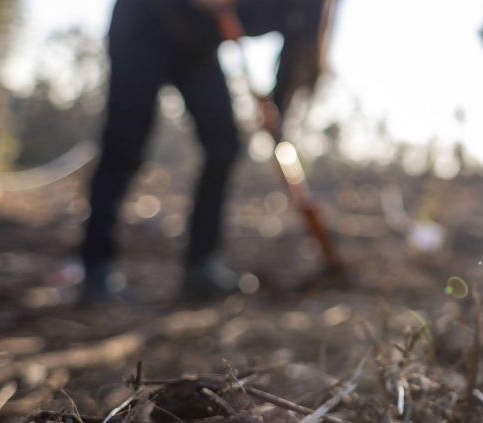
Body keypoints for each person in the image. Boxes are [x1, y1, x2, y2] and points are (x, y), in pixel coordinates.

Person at [80, 0, 331, 304]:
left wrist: (278, 112)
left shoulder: (312, 7)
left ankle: (202, 266)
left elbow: (296, 52)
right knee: (125, 139)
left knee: (223, 144)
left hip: (198, 45)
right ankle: (96, 266)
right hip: (145, 19)